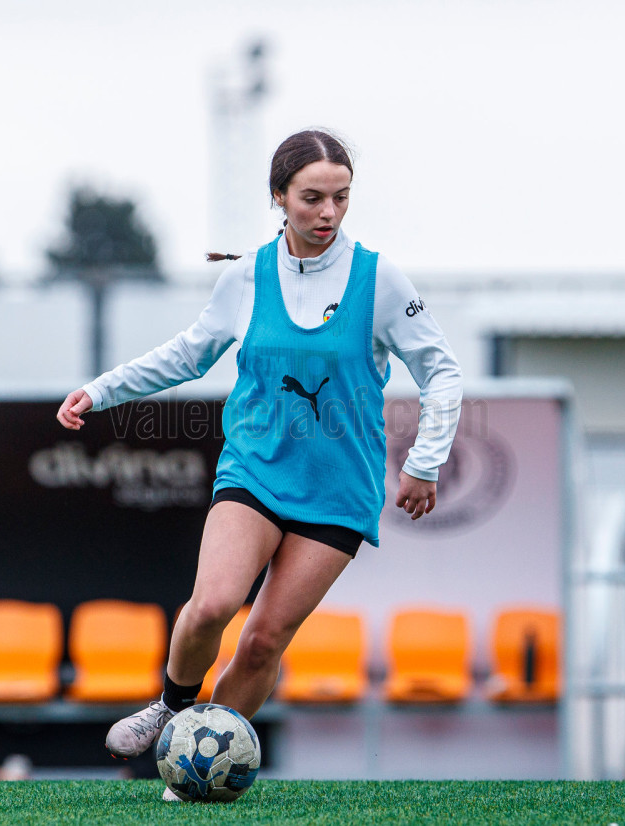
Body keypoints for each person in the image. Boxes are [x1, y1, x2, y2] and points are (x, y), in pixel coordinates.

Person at [56, 128, 462, 774]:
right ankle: (170, 707)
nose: (328, 213)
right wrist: (101, 390)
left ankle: (197, 768)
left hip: (338, 490)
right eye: (312, 198)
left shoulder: (380, 279)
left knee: (263, 640)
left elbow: (441, 371)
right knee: (213, 606)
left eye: (341, 197)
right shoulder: (246, 276)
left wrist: (425, 461)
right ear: (279, 196)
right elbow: (188, 354)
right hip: (256, 470)